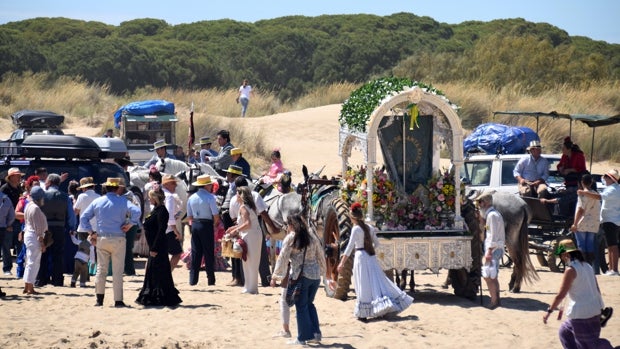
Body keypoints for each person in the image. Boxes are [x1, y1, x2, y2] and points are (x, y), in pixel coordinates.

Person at [337, 202, 413, 320]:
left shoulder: (356, 229)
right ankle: (380, 307)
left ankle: (363, 313)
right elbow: (377, 244)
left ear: (352, 217)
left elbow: (349, 248)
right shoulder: (370, 228)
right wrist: (369, 248)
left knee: (362, 284)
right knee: (375, 281)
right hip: (370, 257)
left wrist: (342, 263)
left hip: (360, 257)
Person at [80, 177, 141, 307]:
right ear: (118, 188)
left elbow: (84, 218)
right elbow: (137, 211)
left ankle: (99, 299)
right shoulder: (123, 201)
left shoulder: (98, 201)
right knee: (118, 271)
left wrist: (92, 232)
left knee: (101, 270)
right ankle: (118, 300)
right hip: (118, 238)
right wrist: (130, 224)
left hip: (102, 237)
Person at [542, 239, 613, 349]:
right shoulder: (587, 266)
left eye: (561, 255)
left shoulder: (570, 270)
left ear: (565, 254)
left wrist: (549, 311)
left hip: (581, 314)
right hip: (595, 310)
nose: (561, 258)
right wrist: (599, 307)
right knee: (564, 331)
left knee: (589, 344)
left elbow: (560, 295)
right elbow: (597, 288)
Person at [271, 214, 326, 345]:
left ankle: (302, 338)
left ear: (291, 225)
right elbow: (320, 255)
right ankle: (315, 333)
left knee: (301, 307)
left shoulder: (291, 238)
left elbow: (282, 258)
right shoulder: (312, 236)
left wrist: (275, 276)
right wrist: (324, 272)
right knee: (309, 304)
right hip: (315, 276)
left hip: (301, 276)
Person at [135, 188, 182, 307]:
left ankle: (161, 297)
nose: (149, 199)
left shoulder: (162, 211)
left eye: (150, 197)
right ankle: (153, 296)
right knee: (153, 271)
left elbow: (161, 231)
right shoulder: (155, 210)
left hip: (158, 247)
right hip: (153, 246)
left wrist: (154, 248)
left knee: (158, 271)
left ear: (155, 198)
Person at [231, 175, 277, 287]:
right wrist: (272, 227)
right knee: (260, 256)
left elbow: (233, 218)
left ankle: (243, 281)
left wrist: (236, 229)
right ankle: (265, 279)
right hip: (255, 227)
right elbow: (263, 213)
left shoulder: (233, 200)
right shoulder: (255, 195)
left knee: (244, 256)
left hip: (241, 229)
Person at [578, 169, 620, 276]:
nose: (604, 178)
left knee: (612, 245)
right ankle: (612, 269)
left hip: (610, 220)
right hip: (611, 219)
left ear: (611, 179)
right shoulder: (614, 188)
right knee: (610, 246)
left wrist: (584, 193)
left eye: (606, 177)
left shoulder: (612, 190)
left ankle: (614, 269)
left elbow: (598, 197)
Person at [37, 173, 76, 287]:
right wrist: (72, 227)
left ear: (48, 182)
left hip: (45, 228)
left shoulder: (43, 195)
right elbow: (71, 216)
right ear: (59, 183)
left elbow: (38, 212)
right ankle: (57, 280)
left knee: (43, 253)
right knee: (58, 254)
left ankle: (41, 279)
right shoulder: (65, 197)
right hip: (59, 227)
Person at [226, 186, 262, 294]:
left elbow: (247, 224)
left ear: (241, 195)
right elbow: (244, 222)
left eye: (237, 193)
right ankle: (251, 287)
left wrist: (235, 231)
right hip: (254, 234)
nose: (236, 196)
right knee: (252, 261)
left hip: (250, 235)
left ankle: (250, 288)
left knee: (249, 261)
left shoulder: (243, 207)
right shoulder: (250, 206)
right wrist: (233, 228)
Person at [186, 175, 220, 286]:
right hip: (206, 224)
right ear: (206, 185)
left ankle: (193, 279)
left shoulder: (191, 198)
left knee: (196, 252)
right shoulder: (210, 198)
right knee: (208, 252)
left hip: (195, 224)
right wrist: (214, 225)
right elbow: (215, 215)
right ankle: (210, 279)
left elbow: (189, 216)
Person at [474, 192, 505, 309]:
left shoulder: (492, 216)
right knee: (493, 276)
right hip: (495, 248)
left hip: (493, 249)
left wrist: (489, 251)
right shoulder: (493, 214)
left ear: (485, 202)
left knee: (489, 277)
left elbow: (493, 235)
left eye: (480, 202)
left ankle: (494, 301)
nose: (479, 205)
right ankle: (497, 300)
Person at [570, 174, 601, 265]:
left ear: (582, 183)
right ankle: (589, 265)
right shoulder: (595, 194)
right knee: (590, 245)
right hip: (593, 223)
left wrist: (575, 224)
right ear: (591, 183)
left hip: (582, 222)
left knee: (581, 245)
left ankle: (581, 265)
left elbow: (580, 210)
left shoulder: (582, 194)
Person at [22, 186, 47, 295]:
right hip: (34, 236)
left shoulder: (28, 206)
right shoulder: (35, 208)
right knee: (34, 262)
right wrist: (42, 242)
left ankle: (27, 285)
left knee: (29, 261)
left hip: (29, 234)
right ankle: (30, 287)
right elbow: (38, 228)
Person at [14, 175, 40, 279]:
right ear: (28, 187)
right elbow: (16, 213)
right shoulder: (24, 200)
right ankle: (21, 273)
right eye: (34, 185)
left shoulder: (41, 199)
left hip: (39, 228)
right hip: (26, 227)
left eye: (38, 185)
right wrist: (29, 215)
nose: (37, 187)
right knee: (25, 251)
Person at [0, 167, 23, 275]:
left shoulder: (19, 189)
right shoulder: (4, 189)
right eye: (17, 175)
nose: (19, 178)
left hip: (19, 220)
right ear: (11, 177)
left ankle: (20, 266)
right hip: (8, 221)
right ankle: (7, 268)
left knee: (19, 244)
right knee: (6, 245)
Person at [162, 174, 183, 271]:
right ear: (166, 184)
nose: (175, 185)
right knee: (177, 253)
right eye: (173, 183)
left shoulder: (159, 194)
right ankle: (167, 275)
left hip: (158, 229)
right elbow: (169, 215)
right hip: (168, 230)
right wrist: (175, 230)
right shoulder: (169, 196)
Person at [0, 186, 16, 278]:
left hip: (3, 226)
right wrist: (7, 224)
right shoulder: (6, 198)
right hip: (2, 227)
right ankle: (6, 269)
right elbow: (12, 215)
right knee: (5, 248)